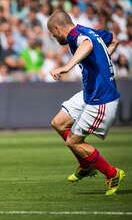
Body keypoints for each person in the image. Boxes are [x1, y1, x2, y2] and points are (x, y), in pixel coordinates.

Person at [47, 10, 125, 196]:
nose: (53, 36)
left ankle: (112, 173)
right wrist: (101, 62)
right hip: (90, 92)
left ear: (58, 29)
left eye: (52, 33)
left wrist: (67, 67)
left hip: (101, 98)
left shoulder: (76, 36)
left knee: (73, 141)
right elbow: (113, 40)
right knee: (58, 123)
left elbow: (87, 44)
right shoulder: (89, 30)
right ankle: (85, 164)